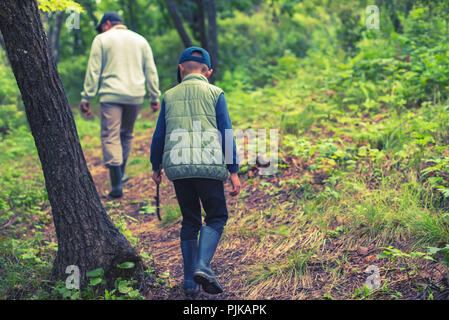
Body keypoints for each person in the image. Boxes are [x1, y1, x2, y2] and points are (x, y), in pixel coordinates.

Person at [150, 47, 241, 296]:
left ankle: (190, 283)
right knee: (217, 216)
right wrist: (233, 170)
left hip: (179, 168)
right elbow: (226, 132)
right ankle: (202, 265)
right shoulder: (215, 93)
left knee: (190, 219)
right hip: (208, 167)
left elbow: (160, 134)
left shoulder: (169, 95)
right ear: (208, 71)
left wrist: (155, 165)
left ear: (181, 68)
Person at [80, 12, 161, 198]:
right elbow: (151, 70)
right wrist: (154, 96)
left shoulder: (101, 39)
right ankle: (121, 173)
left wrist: (87, 97)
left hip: (111, 95)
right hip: (135, 96)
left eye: (101, 27)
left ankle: (116, 184)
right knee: (126, 134)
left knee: (111, 135)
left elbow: (93, 70)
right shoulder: (140, 40)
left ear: (107, 24)